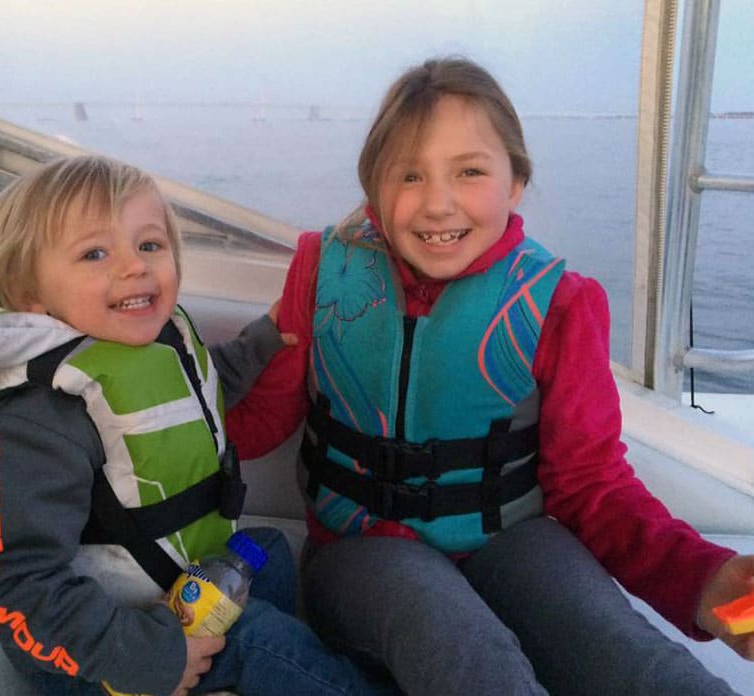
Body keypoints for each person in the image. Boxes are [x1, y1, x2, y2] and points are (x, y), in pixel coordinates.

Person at [225, 58, 754, 695]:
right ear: (375, 189)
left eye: (470, 171)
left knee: (625, 651)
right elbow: (256, 426)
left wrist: (710, 583)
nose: (437, 202)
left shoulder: (559, 303)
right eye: (409, 174)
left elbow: (593, 486)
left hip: (514, 541)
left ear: (516, 182)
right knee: (468, 650)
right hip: (361, 551)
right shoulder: (322, 274)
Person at [0, 155, 395, 696]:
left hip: (170, 591)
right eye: (94, 253)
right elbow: (13, 586)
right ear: (29, 296)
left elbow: (195, 391)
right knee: (259, 641)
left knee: (268, 550)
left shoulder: (147, 343)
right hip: (105, 655)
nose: (134, 266)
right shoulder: (30, 420)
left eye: (149, 245)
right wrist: (150, 655)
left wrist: (267, 337)